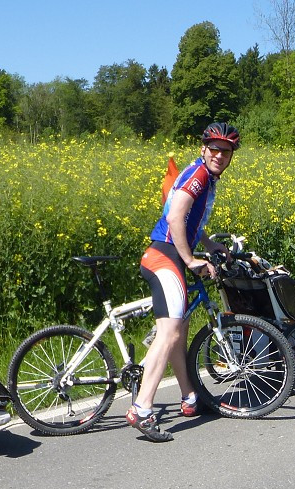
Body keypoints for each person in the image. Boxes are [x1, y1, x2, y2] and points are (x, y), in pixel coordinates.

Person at [125, 122, 239, 442]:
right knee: (170, 330)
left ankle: (189, 397)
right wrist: (190, 260)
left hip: (169, 255)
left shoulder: (202, 175)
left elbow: (189, 221)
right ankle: (142, 409)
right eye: (213, 149)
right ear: (204, 149)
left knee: (181, 328)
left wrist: (210, 244)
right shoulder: (200, 175)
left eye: (225, 151)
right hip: (165, 256)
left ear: (231, 156)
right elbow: (175, 217)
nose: (219, 155)